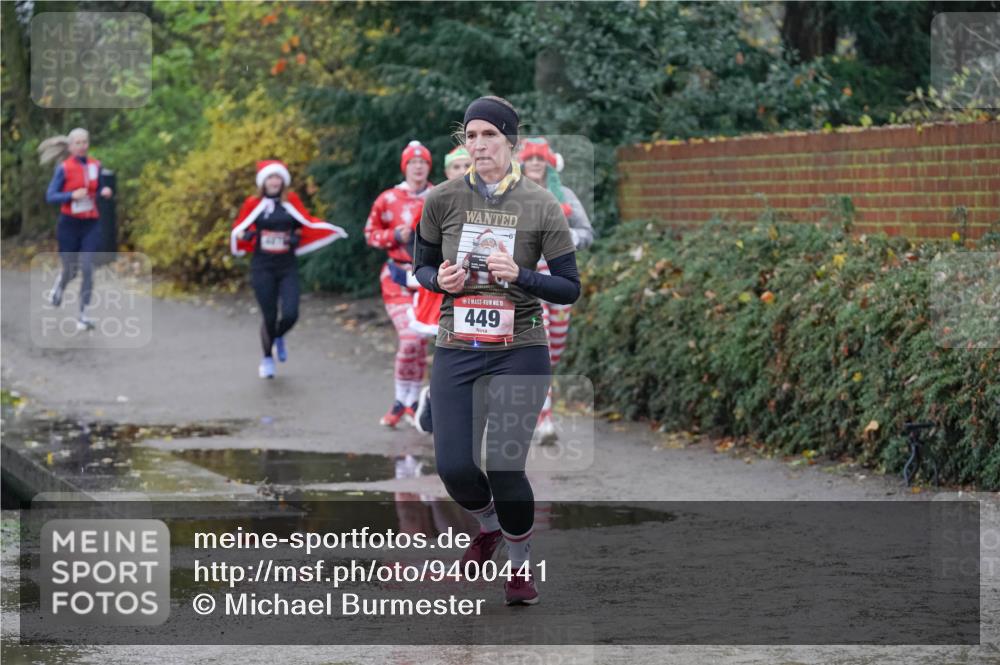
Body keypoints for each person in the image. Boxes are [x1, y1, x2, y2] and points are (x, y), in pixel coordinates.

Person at [414, 96, 580, 606]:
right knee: (455, 467)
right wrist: (438, 279)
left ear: (510, 141)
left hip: (519, 348)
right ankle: (487, 526)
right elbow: (419, 267)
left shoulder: (540, 203)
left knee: (506, 467)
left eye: (490, 135)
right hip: (459, 345)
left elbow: (569, 287)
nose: (479, 144)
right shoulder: (441, 199)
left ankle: (520, 568)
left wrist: (523, 276)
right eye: (471, 135)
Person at [231, 160, 347, 378]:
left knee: (291, 313)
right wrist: (248, 235)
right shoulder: (253, 202)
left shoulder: (291, 200)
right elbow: (238, 228)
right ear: (263, 181)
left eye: (278, 177)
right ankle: (267, 358)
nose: (274, 181)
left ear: (283, 181)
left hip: (287, 265)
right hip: (262, 266)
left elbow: (304, 223)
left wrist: (295, 237)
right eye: (270, 177)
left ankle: (277, 336)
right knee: (269, 315)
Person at [518, 137, 595, 444]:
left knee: (555, 351)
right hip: (527, 283)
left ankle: (532, 401)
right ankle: (544, 419)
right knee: (543, 345)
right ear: (522, 162)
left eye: (541, 159)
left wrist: (569, 238)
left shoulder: (565, 196)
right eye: (531, 159)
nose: (536, 164)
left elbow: (587, 232)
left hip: (559, 280)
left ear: (550, 163)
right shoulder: (512, 195)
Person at [365, 141, 435, 427]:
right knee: (409, 339)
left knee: (418, 341)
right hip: (396, 277)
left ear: (429, 166)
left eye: (423, 162)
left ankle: (412, 401)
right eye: (412, 162)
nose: (418, 167)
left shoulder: (438, 197)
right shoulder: (388, 198)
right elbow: (370, 234)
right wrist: (394, 234)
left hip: (426, 279)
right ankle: (400, 399)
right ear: (404, 166)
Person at [410, 145, 473, 435]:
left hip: (483, 296)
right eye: (456, 167)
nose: (462, 172)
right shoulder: (438, 202)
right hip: (445, 291)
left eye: (466, 166)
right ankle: (437, 401)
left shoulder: (494, 201)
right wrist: (439, 278)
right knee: (448, 349)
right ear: (447, 172)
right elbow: (422, 253)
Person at [41, 128, 113, 330]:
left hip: (91, 223)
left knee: (88, 269)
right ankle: (60, 286)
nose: (82, 146)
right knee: (71, 271)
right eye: (78, 143)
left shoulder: (95, 165)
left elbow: (96, 190)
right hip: (69, 225)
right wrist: (71, 196)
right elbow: (50, 196)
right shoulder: (64, 168)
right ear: (71, 146)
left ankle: (83, 315)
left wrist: (104, 191)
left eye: (85, 142)